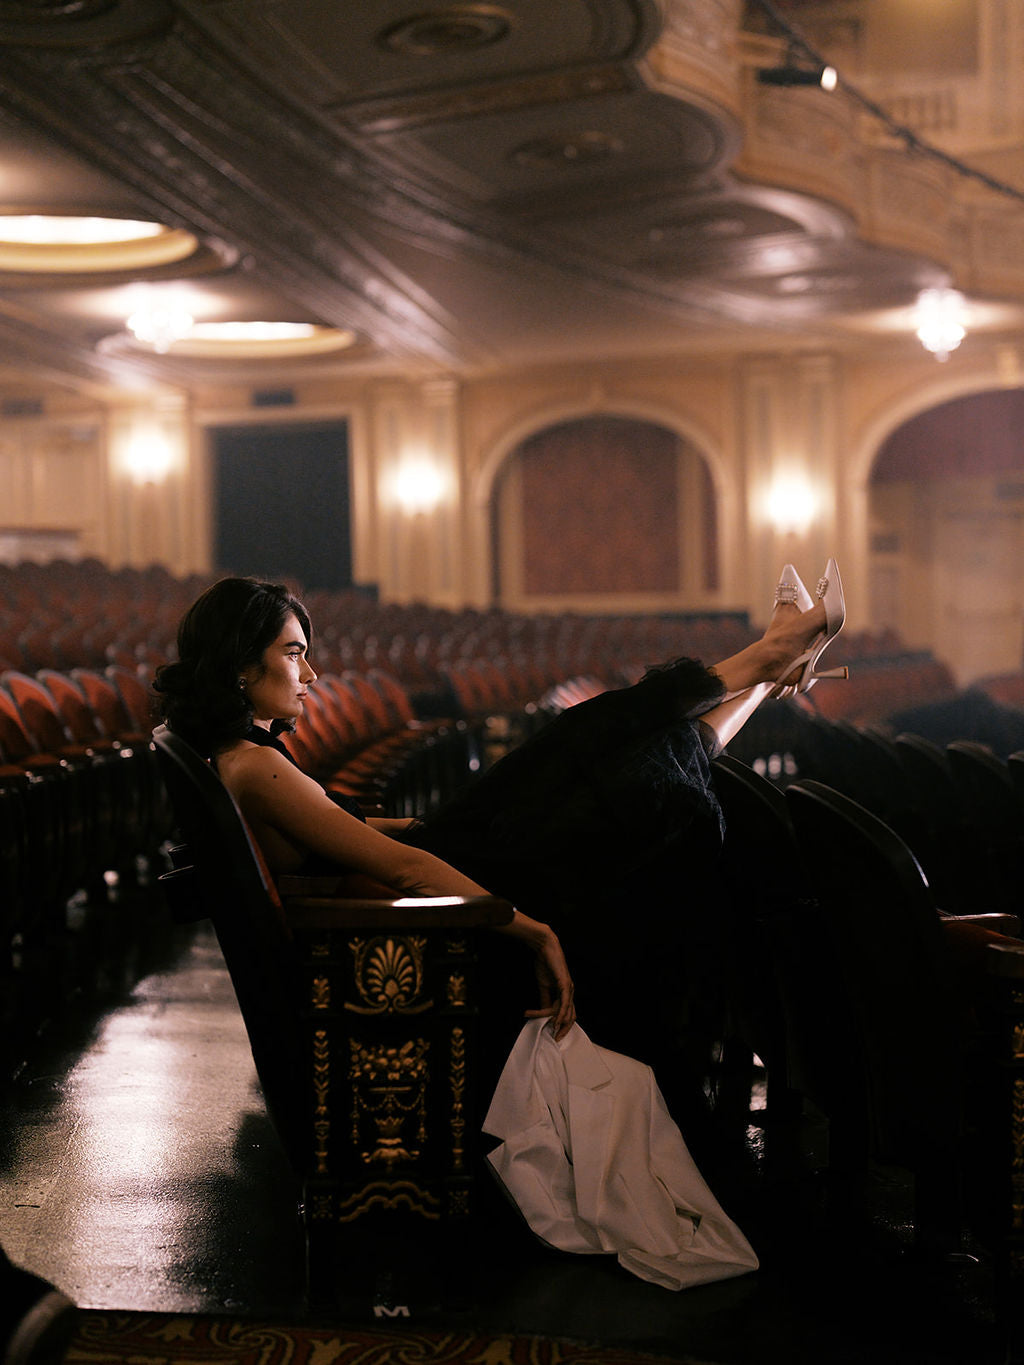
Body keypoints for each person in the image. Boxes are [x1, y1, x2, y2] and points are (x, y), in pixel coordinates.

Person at [153, 563, 844, 1075]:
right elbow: (398, 866)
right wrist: (526, 926)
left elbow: (361, 842)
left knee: (625, 752)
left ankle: (769, 668)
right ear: (243, 667)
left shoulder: (242, 759)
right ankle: (768, 662)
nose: (312, 674)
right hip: (471, 880)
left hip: (459, 852)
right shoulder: (254, 767)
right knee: (593, 743)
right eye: (295, 653)